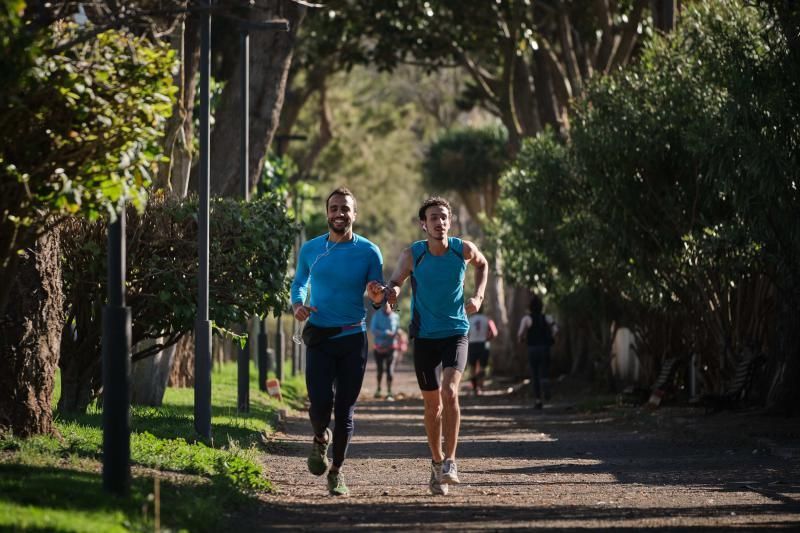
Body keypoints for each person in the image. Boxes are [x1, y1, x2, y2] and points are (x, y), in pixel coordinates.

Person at [385, 196, 488, 496]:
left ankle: (451, 462)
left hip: (456, 331)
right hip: (426, 336)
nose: (439, 222)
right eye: (433, 218)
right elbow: (395, 282)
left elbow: (483, 265)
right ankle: (435, 462)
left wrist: (479, 296)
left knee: (450, 391)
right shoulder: (413, 255)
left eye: (443, 217)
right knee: (432, 406)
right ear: (424, 224)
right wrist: (390, 293)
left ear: (449, 221)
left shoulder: (462, 249)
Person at [291, 187, 386, 496]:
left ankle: (336, 471)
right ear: (327, 213)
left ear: (354, 214)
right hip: (319, 336)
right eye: (334, 208)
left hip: (352, 338)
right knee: (319, 403)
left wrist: (376, 297)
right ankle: (320, 437)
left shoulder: (370, 252)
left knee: (345, 409)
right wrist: (298, 305)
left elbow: (378, 295)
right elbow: (299, 282)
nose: (339, 213)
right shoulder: (310, 249)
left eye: (345, 208)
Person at [517, 295, 557, 409]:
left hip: (532, 348)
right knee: (544, 371)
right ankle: (546, 385)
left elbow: (520, 335)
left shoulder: (526, 319)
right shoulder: (547, 318)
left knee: (534, 374)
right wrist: (551, 338)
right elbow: (556, 329)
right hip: (545, 348)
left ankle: (538, 400)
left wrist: (522, 340)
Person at [369, 300, 400, 400]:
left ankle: (389, 391)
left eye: (389, 306)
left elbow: (397, 330)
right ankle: (378, 389)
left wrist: (397, 335)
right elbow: (373, 330)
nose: (387, 308)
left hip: (391, 347)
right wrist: (386, 333)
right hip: (379, 348)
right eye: (385, 306)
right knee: (380, 370)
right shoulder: (376, 316)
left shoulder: (396, 317)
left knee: (390, 370)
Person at [467, 311, 497, 395]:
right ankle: (480, 387)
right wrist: (488, 339)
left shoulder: (470, 319)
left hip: (472, 344)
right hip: (484, 344)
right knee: (482, 367)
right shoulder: (487, 319)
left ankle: (475, 388)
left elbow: (466, 333)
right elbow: (494, 332)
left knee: (472, 368)